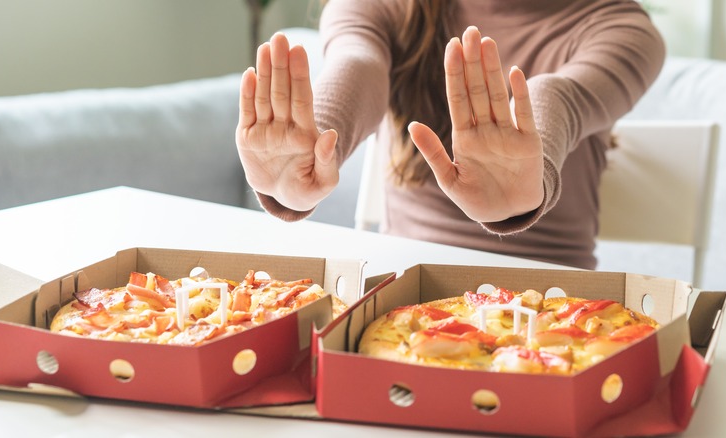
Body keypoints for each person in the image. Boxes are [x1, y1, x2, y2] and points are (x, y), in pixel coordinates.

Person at [235, 0, 665, 270]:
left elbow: (561, 98)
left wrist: (531, 183)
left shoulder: (623, 28)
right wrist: (314, 148)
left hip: (552, 301)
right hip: (402, 287)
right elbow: (357, 63)